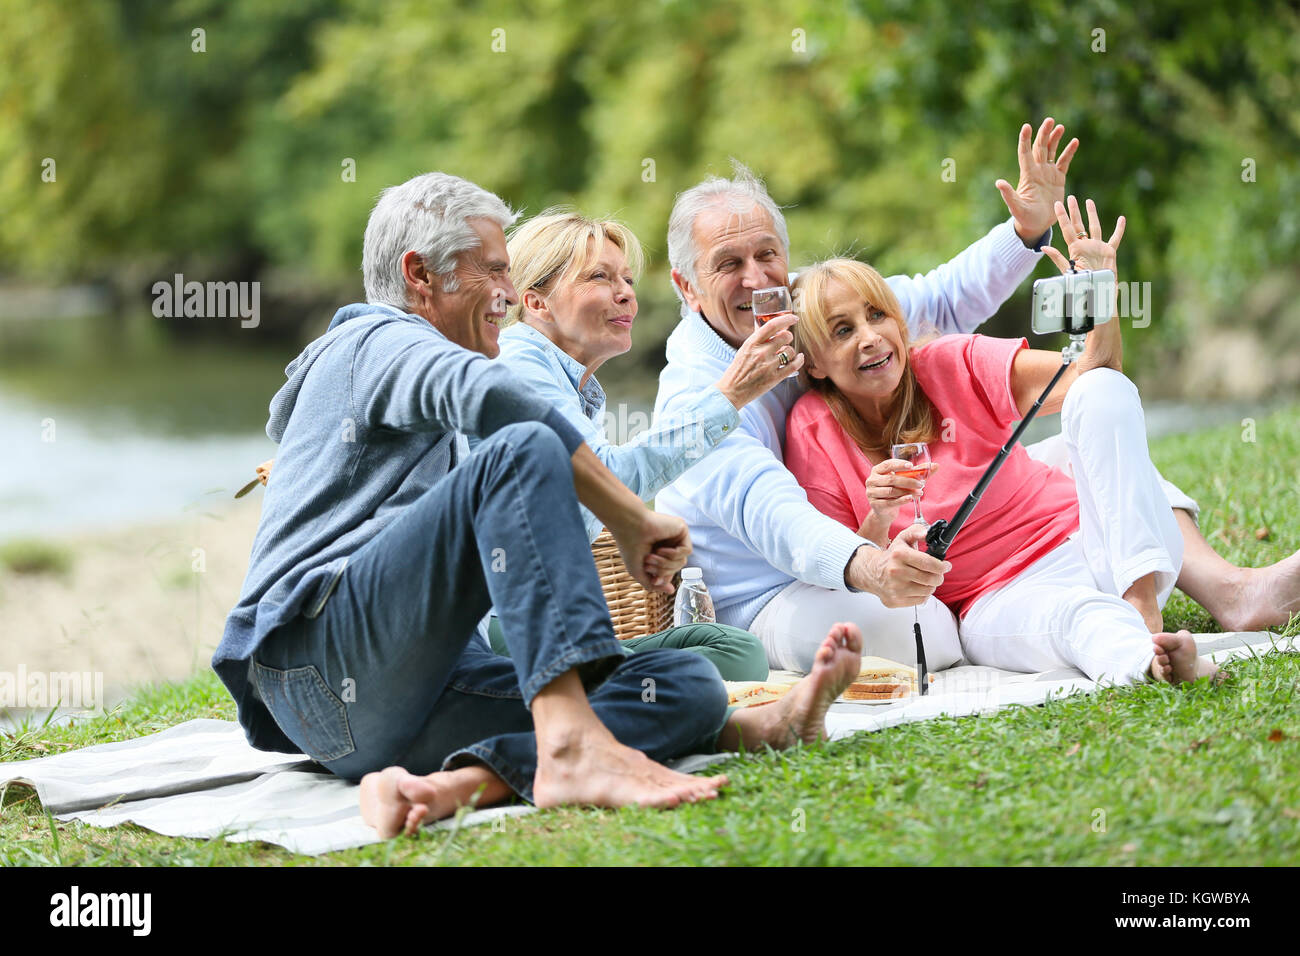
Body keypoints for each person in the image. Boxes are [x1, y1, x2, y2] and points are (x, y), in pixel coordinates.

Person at [211, 170, 866, 839]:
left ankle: (463, 783)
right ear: (420, 275)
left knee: (683, 681)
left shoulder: (444, 374)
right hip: (318, 663)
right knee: (522, 444)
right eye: (494, 271)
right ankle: (571, 743)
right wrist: (631, 517)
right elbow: (498, 408)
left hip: (385, 712)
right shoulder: (373, 340)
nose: (506, 292)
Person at [653, 120, 1297, 674]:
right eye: (727, 264)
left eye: (767, 254)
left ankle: (1225, 595)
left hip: (966, 536)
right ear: (687, 286)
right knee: (926, 632)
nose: (755, 277)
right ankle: (1126, 645)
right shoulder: (703, 397)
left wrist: (1028, 233)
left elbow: (937, 301)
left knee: (1093, 434)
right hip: (778, 586)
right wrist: (873, 565)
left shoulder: (815, 306)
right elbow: (775, 517)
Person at [783, 196, 1242, 684]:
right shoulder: (812, 429)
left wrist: (1099, 292)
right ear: (813, 362)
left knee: (1102, 389)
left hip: (1097, 547)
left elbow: (1093, 375)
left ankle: (1143, 607)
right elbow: (847, 569)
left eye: (877, 315)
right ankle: (1150, 662)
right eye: (842, 330)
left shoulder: (948, 361)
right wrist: (878, 517)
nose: (870, 337)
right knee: (1074, 617)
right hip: (998, 597)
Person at [478, 207, 801, 681]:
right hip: (501, 628)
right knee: (719, 669)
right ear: (537, 303)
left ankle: (621, 687)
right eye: (600, 277)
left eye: (627, 278)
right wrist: (730, 394)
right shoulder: (520, 364)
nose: (626, 292)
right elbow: (608, 477)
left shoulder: (570, 384)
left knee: (734, 650)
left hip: (553, 622)